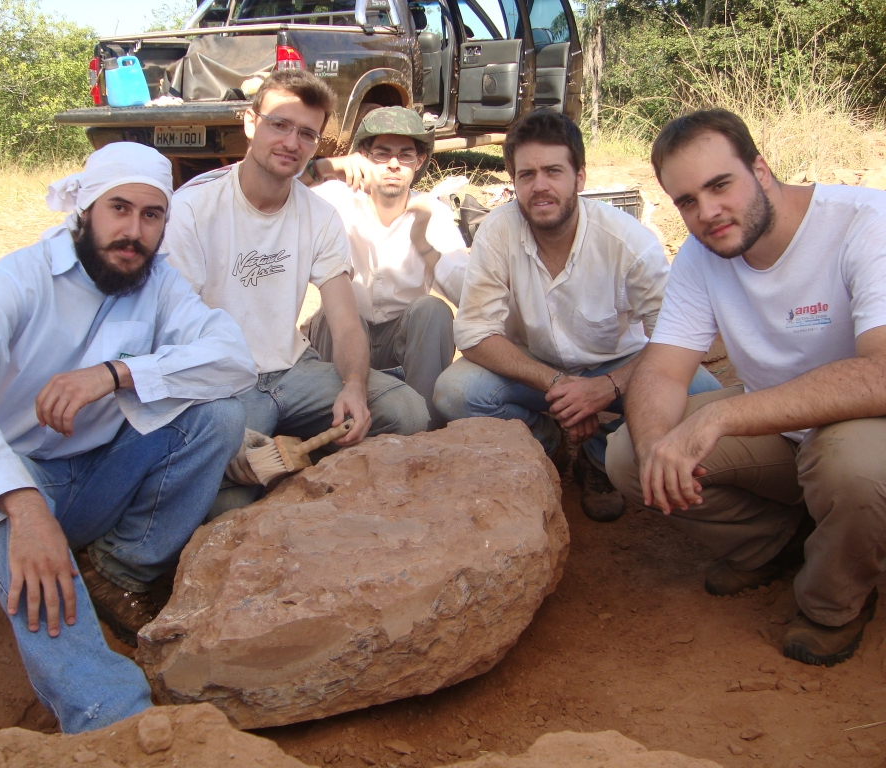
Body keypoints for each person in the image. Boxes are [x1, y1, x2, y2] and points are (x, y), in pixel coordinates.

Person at [0, 142, 258, 733]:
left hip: (96, 480)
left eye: (152, 216)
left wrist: (115, 375)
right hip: (14, 488)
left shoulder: (159, 283)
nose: (134, 231)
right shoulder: (21, 277)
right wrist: (21, 502)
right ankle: (107, 714)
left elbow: (232, 357)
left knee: (217, 416)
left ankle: (117, 572)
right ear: (85, 209)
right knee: (0, 496)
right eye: (119, 209)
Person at [606, 108, 886, 666]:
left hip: (867, 430)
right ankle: (773, 543)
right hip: (785, 432)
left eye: (719, 185)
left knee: (852, 466)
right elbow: (662, 369)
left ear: (760, 169)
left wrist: (718, 417)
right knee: (630, 456)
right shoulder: (701, 256)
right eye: (686, 200)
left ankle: (833, 602)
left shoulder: (865, 223)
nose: (707, 212)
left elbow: (880, 372)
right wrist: (660, 443)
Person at [433, 110, 720, 522]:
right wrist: (560, 386)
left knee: (703, 399)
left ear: (580, 178)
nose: (540, 187)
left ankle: (601, 453)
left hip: (625, 369)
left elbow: (674, 340)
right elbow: (476, 333)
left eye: (553, 171)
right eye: (526, 175)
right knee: (454, 393)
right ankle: (543, 445)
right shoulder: (497, 231)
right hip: (536, 367)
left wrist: (604, 388)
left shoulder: (628, 242)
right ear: (513, 183)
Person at [164, 71, 430, 513]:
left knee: (407, 412)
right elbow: (175, 330)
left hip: (293, 370)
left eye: (307, 133)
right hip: (223, 384)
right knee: (229, 503)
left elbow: (345, 322)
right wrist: (215, 419)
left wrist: (354, 386)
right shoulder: (194, 208)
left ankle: (308, 468)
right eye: (279, 125)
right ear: (250, 123)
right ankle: (281, 467)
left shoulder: (320, 216)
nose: (292, 143)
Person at [298, 106, 468, 428]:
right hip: (343, 336)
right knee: (331, 314)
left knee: (434, 311)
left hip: (401, 341)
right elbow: (279, 189)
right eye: (381, 153)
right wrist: (324, 167)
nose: (393, 164)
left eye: (405, 155)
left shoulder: (432, 212)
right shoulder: (336, 197)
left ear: (419, 162)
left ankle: (423, 434)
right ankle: (333, 426)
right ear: (363, 156)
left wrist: (424, 243)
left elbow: (467, 292)